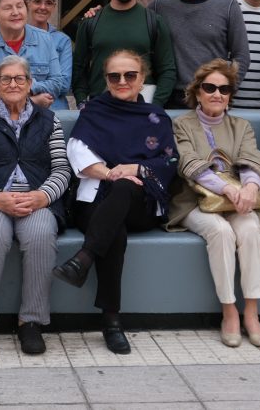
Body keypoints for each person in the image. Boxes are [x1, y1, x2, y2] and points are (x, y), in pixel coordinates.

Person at [52, 49, 177, 354]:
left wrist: (135, 169)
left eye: (130, 75)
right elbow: (78, 155)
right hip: (94, 198)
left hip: (142, 203)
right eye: (114, 76)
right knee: (113, 231)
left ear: (142, 78)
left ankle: (82, 259)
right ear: (106, 79)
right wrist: (111, 174)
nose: (122, 81)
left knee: (123, 192)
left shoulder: (157, 118)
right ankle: (111, 323)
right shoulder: (94, 111)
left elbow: (169, 161)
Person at [0, 56, 71, 356]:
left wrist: (42, 196)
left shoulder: (49, 120)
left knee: (40, 236)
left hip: (37, 199)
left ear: (30, 83)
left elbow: (62, 169)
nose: (13, 84)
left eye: (19, 79)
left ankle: (31, 322)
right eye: (5, 79)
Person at [166, 59, 260, 348]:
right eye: (210, 87)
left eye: (224, 89)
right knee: (220, 231)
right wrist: (229, 189)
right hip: (193, 202)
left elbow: (252, 159)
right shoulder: (181, 123)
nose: (217, 94)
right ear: (197, 91)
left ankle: (252, 312)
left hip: (239, 200)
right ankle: (229, 311)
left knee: (251, 228)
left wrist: (251, 188)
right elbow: (189, 163)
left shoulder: (241, 125)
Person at [150, 0, 249, 107]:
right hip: (171, 99)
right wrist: (98, 13)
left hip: (212, 98)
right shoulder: (160, 5)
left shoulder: (228, 5)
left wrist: (224, 91)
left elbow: (242, 56)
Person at [73, 0, 176, 107]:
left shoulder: (154, 22)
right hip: (101, 108)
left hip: (142, 106)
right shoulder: (91, 22)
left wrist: (155, 105)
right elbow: (78, 69)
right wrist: (82, 102)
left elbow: (167, 70)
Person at [26, 0, 74, 107]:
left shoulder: (62, 41)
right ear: (28, 4)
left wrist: (28, 87)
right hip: (20, 111)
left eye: (48, 3)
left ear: (54, 6)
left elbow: (63, 84)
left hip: (55, 108)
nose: (43, 7)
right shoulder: (18, 35)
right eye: (37, 1)